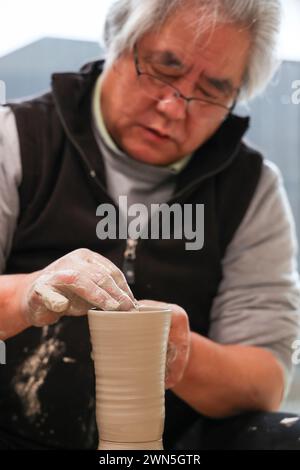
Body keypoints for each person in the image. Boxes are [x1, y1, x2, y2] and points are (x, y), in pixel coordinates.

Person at [0, 0, 300, 450]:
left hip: (171, 448)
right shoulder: (17, 139)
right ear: (119, 43)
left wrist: (184, 357)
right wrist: (26, 295)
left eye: (213, 90)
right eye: (164, 69)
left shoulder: (251, 188)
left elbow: (266, 381)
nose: (174, 107)